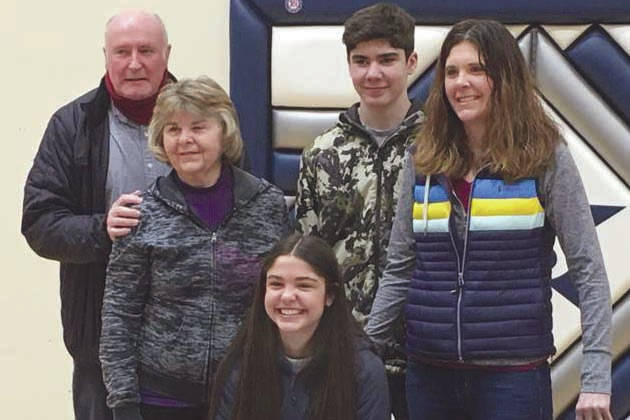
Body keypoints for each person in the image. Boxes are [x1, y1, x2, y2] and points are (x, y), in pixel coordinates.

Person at [366, 19, 613, 420]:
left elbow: (588, 269)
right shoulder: (422, 160)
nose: (460, 82)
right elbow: (399, 268)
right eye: (451, 71)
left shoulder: (544, 157)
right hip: (429, 375)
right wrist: (362, 351)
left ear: (505, 76)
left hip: (512, 377)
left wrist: (597, 377)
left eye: (476, 69)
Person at [99, 76, 289, 420]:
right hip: (161, 398)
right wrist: (123, 401)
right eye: (172, 130)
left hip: (246, 392)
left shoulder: (267, 204)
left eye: (198, 128)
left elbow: (283, 300)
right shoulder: (140, 213)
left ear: (224, 131)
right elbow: (119, 314)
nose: (184, 140)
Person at [21, 10, 174, 420]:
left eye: (146, 50)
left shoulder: (207, 120)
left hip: (190, 347)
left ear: (167, 54)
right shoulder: (72, 125)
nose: (135, 63)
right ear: (105, 56)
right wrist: (100, 228)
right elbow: (39, 223)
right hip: (99, 342)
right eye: (122, 51)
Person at [295, 4, 422, 417]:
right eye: (361, 61)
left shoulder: (443, 147)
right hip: (342, 352)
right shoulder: (321, 154)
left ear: (411, 62)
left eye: (387, 60)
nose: (374, 74)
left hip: (428, 352)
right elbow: (308, 256)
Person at [209, 233, 389, 420]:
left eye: (304, 286)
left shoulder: (364, 370)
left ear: (330, 295)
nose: (287, 296)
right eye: (276, 284)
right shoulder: (240, 364)